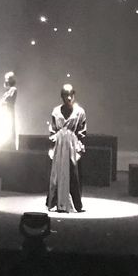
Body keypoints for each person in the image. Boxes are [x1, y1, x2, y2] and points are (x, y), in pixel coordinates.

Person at [47, 83, 86, 213]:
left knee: (73, 174)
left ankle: (75, 203)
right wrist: (53, 146)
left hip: (73, 147)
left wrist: (79, 148)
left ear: (74, 95)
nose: (68, 98)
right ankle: (55, 201)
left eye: (71, 95)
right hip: (59, 146)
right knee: (57, 174)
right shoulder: (56, 112)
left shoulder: (79, 112)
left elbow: (82, 132)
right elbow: (52, 130)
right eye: (66, 95)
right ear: (62, 96)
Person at [2, 71, 18, 149]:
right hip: (5, 112)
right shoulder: (7, 91)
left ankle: (11, 148)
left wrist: (5, 98)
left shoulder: (13, 89)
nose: (6, 81)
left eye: (7, 79)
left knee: (10, 129)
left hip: (9, 111)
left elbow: (10, 99)